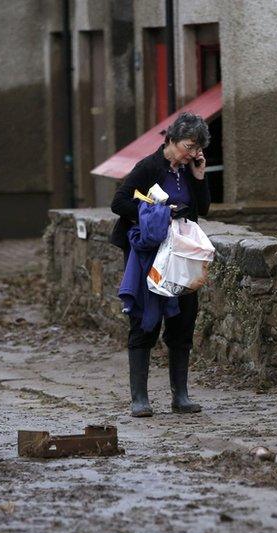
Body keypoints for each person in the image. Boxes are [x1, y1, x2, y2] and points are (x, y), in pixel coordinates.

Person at [111, 112, 211, 417]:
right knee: (144, 321)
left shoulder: (188, 170)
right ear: (170, 139)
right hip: (150, 255)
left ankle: (180, 396)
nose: (192, 154)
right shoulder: (149, 167)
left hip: (181, 255)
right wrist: (156, 212)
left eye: (197, 148)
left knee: (183, 321)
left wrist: (199, 176)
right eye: (189, 146)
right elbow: (119, 203)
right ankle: (139, 399)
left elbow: (202, 209)